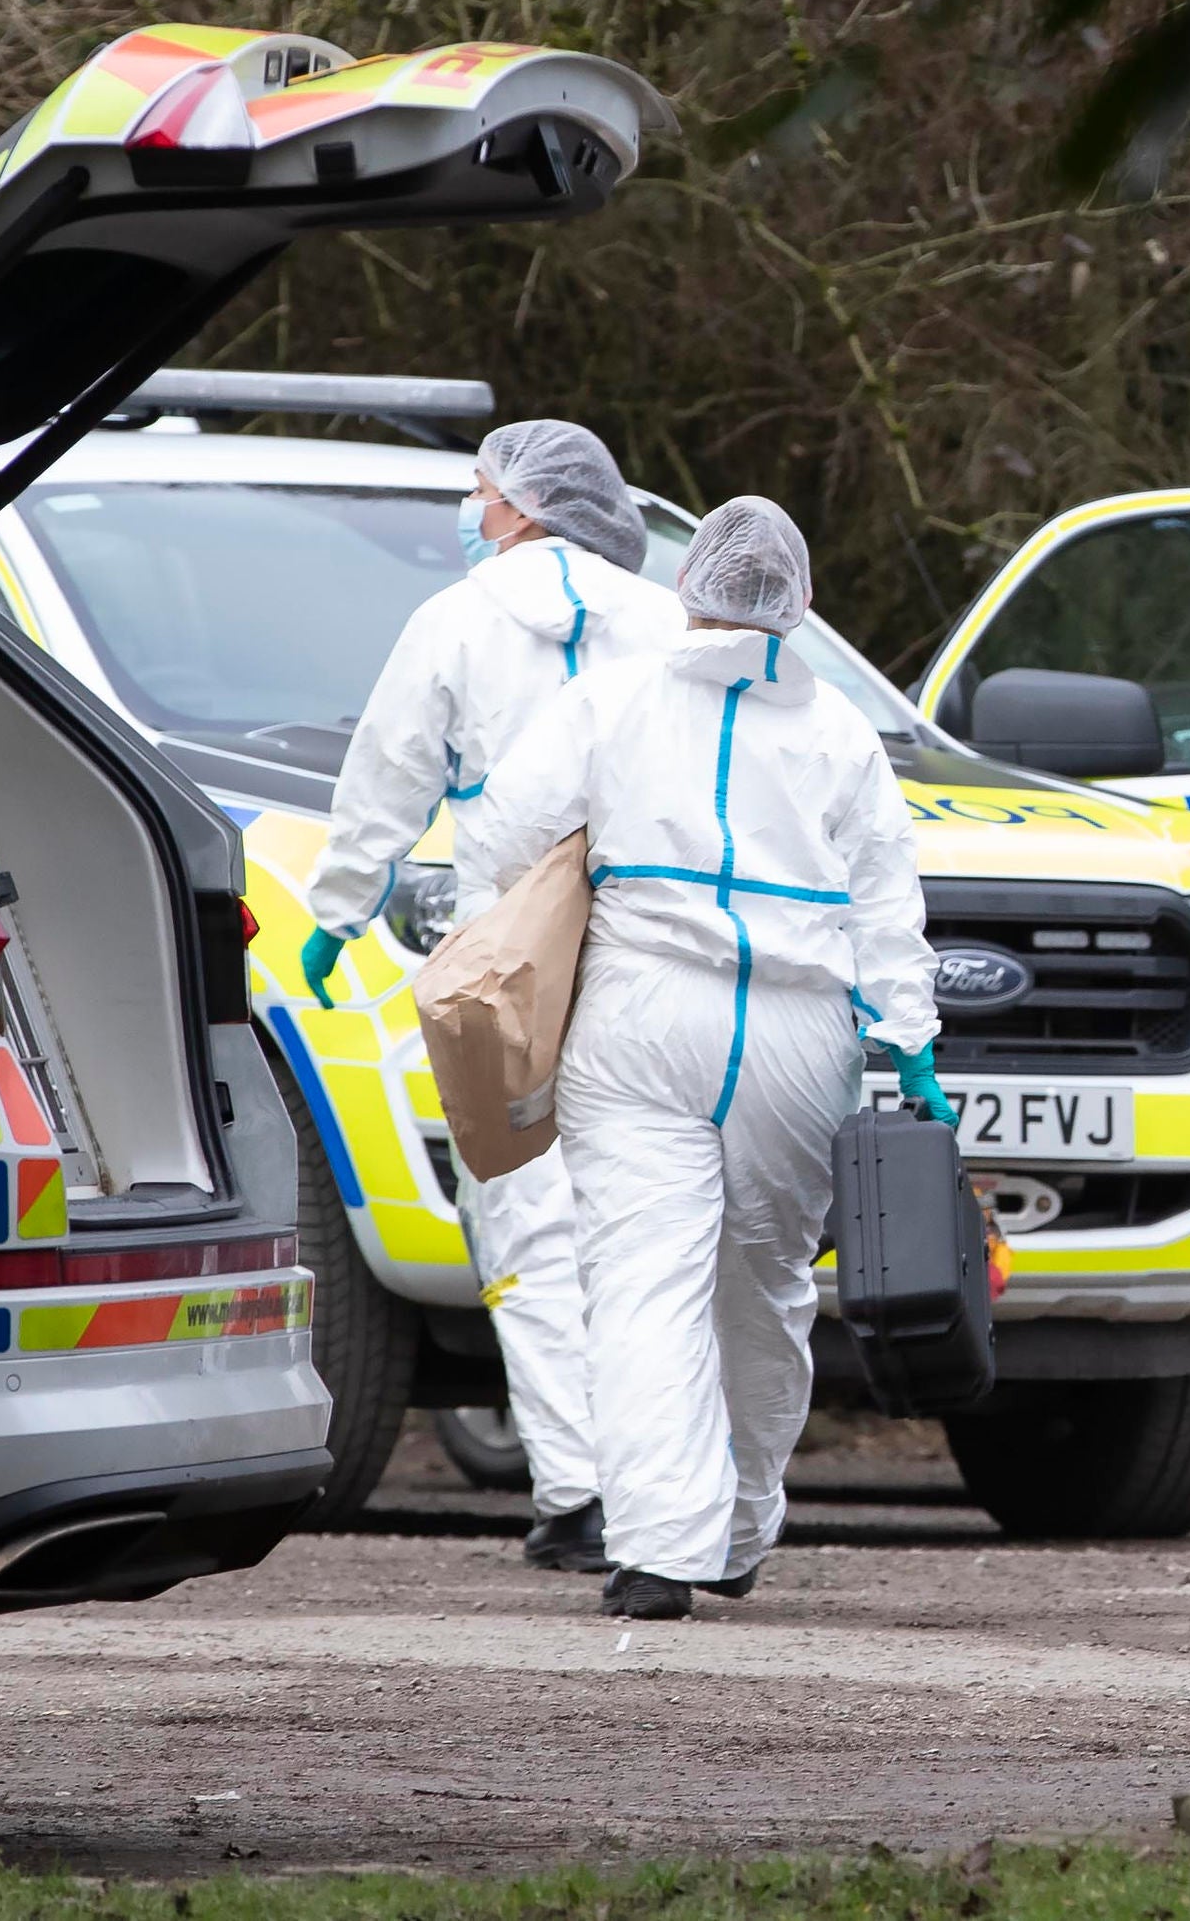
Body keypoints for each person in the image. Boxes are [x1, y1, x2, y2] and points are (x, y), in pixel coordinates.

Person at [455, 497, 946, 1621]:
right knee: (762, 1285)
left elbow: (494, 837)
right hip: (795, 1033)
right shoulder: (840, 734)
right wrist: (911, 1046)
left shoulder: (610, 695)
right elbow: (885, 905)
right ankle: (733, 1526)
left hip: (637, 1012)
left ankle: (654, 1549)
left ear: (688, 590)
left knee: (639, 1280)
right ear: (802, 604)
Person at [298, 418, 686, 1575]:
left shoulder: (454, 621)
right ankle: (662, 1485)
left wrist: (337, 906)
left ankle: (574, 1492)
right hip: (649, 939)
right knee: (650, 1218)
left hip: (508, 947)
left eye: (477, 489)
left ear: (516, 505)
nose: (469, 509)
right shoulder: (663, 616)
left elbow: (388, 768)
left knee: (522, 1205)